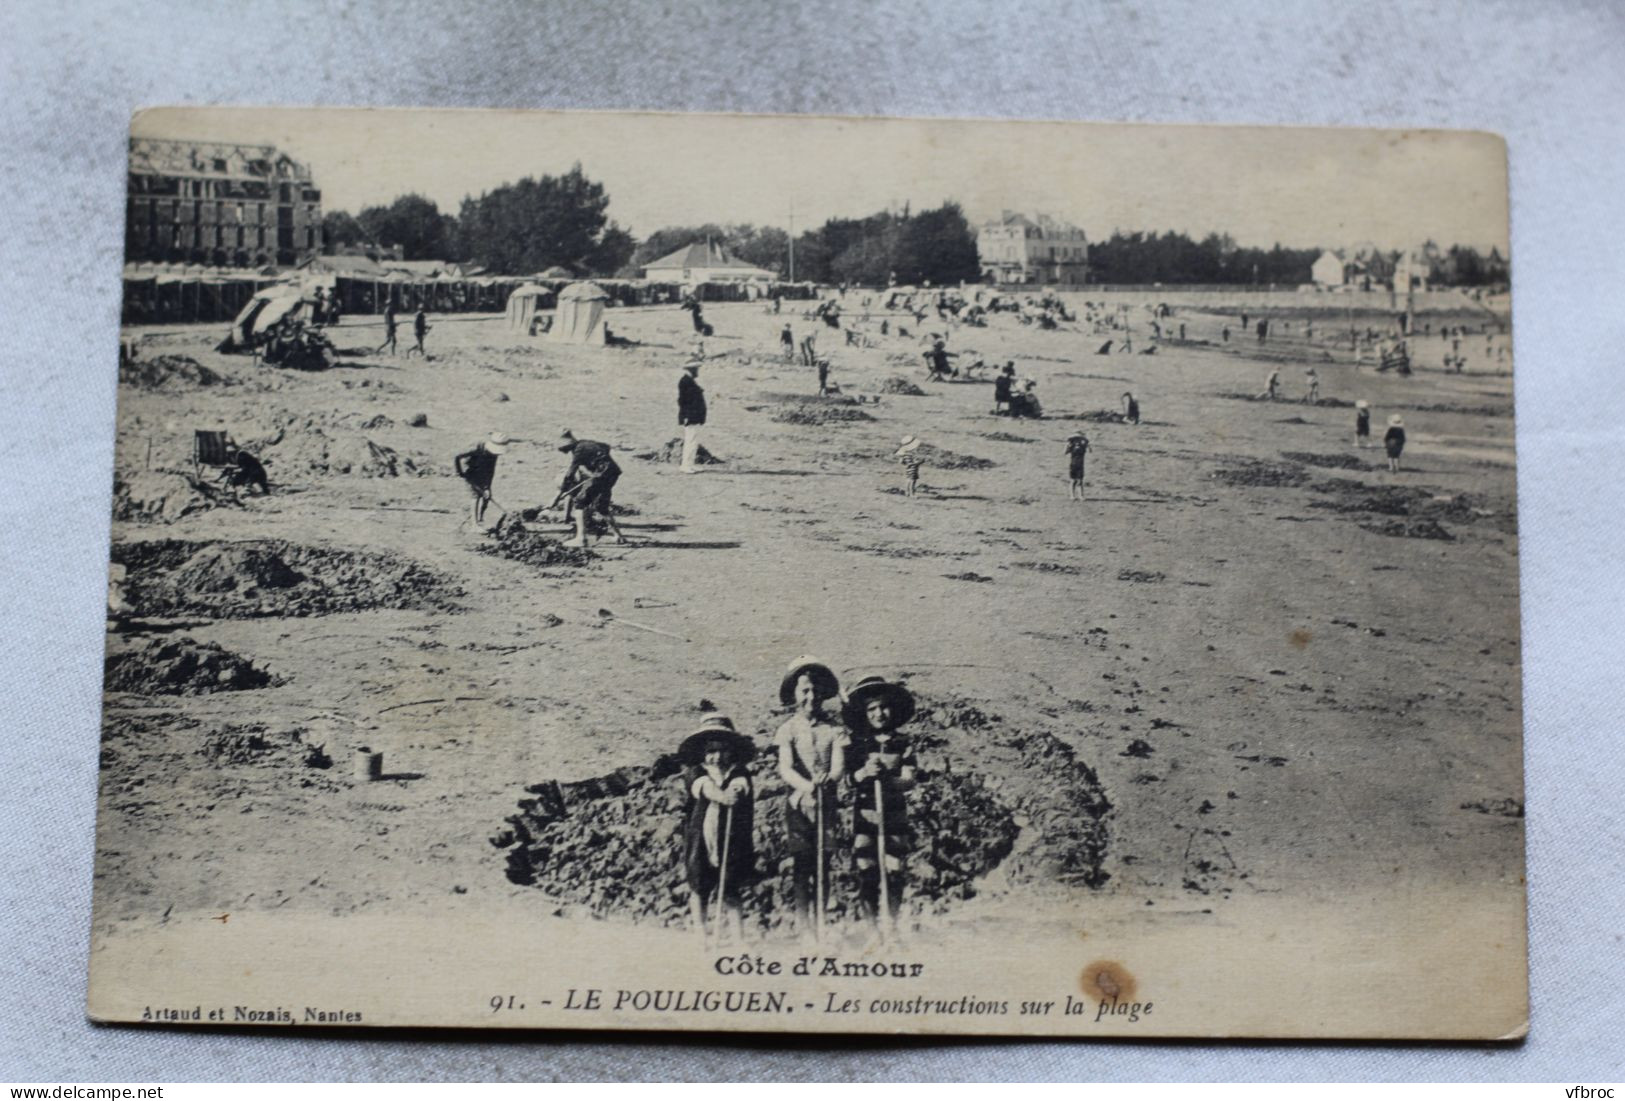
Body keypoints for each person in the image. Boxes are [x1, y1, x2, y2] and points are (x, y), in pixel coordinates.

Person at [773, 657, 848, 942]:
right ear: (794, 694)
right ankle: (804, 925)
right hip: (798, 807)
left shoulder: (834, 730)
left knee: (823, 864)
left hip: (826, 805)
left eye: (815, 691)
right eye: (804, 690)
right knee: (803, 865)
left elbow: (839, 767)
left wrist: (828, 779)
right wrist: (806, 786)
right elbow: (785, 767)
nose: (810, 697)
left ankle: (821, 924)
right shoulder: (787, 730)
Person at [843, 676, 919, 945]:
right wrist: (864, 772)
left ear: (892, 709)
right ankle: (872, 929)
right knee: (868, 871)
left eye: (883, 707)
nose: (879, 713)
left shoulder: (903, 742)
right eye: (872, 708)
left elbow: (910, 779)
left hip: (894, 814)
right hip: (865, 815)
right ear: (865, 713)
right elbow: (848, 779)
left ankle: (892, 924)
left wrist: (890, 779)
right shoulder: (857, 744)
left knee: (894, 869)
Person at [678, 714, 756, 948]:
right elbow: (704, 788)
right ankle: (701, 931)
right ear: (702, 752)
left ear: (732, 751)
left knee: (730, 886)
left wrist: (736, 790)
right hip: (701, 838)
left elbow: (742, 786)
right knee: (700, 885)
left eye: (723, 750)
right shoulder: (696, 772)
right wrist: (723, 796)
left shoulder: (739, 772)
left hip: (730, 838)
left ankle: (737, 935)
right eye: (711, 751)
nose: (717, 757)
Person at [556, 429, 628, 547]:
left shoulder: (578, 450)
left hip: (601, 474)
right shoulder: (587, 443)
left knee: (579, 502)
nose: (569, 452)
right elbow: (606, 447)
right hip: (613, 473)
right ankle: (619, 537)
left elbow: (570, 473)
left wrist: (561, 492)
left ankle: (581, 538)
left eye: (567, 450)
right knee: (601, 506)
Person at [454, 432, 510, 525]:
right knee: (475, 496)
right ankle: (474, 525)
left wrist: (487, 487)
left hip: (482, 470)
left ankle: (480, 519)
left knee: (486, 496)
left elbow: (490, 470)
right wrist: (459, 472)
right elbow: (457, 456)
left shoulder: (493, 455)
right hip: (469, 470)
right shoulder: (476, 447)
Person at [677, 359, 706, 474]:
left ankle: (690, 464)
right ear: (692, 369)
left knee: (693, 441)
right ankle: (686, 465)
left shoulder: (689, 381)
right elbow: (683, 401)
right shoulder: (685, 381)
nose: (698, 372)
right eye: (696, 369)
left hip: (694, 416)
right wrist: (686, 416)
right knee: (690, 441)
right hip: (690, 416)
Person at [1066, 432, 1090, 500]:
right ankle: (1072, 495)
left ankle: (1081, 495)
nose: (1077, 441)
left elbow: (1089, 450)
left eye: (1078, 439)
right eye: (1076, 439)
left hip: (1080, 465)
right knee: (1073, 480)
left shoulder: (1083, 446)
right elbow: (1065, 452)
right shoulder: (1072, 446)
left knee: (1080, 481)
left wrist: (1087, 444)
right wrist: (1068, 445)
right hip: (1073, 464)